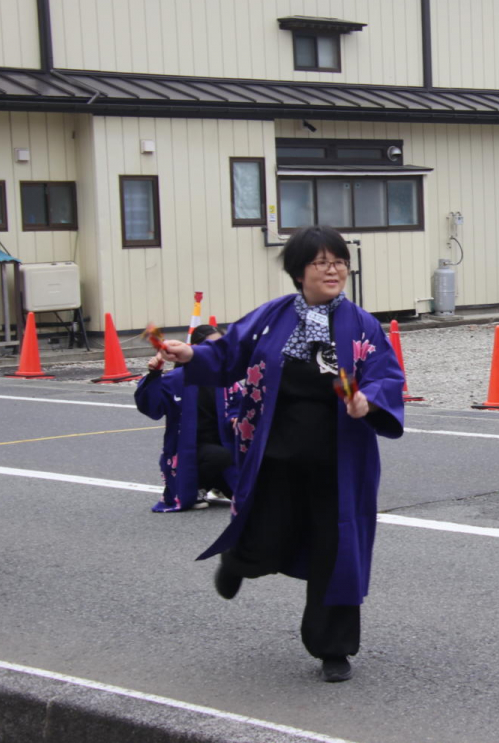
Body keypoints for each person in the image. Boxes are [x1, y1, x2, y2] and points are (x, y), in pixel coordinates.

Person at [157, 226, 405, 682]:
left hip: (339, 462)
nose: (333, 270)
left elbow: (386, 376)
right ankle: (240, 561)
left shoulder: (362, 325)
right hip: (276, 455)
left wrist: (366, 401)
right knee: (269, 531)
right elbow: (228, 355)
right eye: (321, 262)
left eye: (339, 261)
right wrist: (190, 354)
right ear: (299, 271)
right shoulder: (271, 318)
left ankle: (333, 649)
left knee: (337, 551)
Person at [135, 324, 239, 512]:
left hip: (223, 444)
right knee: (221, 457)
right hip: (190, 450)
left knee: (250, 492)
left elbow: (238, 405)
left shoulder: (225, 379)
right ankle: (200, 484)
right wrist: (154, 374)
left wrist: (236, 417)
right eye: (210, 346)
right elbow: (152, 407)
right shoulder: (177, 379)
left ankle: (217, 482)